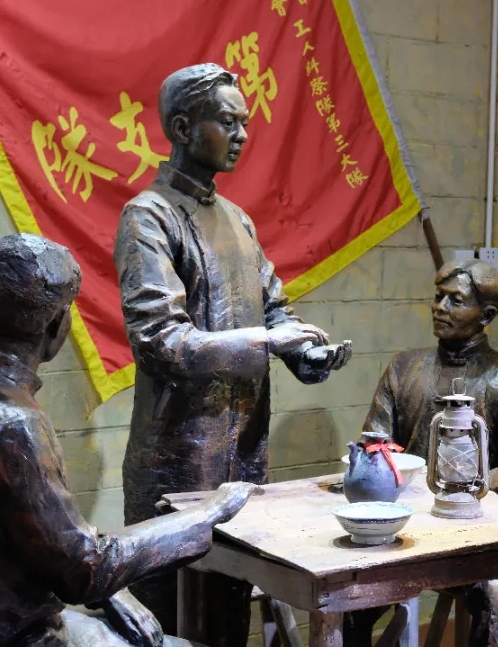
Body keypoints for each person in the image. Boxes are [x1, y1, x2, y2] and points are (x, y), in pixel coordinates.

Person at [0, 233, 259, 647]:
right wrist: (206, 515)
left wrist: (110, 593)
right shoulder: (10, 424)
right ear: (57, 324)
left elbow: (42, 541)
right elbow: (85, 568)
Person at [113, 64, 352, 632]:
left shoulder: (238, 221)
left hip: (242, 458)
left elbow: (274, 309)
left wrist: (303, 353)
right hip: (177, 463)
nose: (242, 134)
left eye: (244, 122)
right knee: (168, 621)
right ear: (182, 128)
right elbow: (160, 342)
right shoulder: (148, 216)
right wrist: (270, 340)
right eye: (227, 122)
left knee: (226, 618)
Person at [353, 259, 498, 647]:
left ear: (486, 315)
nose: (440, 308)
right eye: (438, 297)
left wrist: (473, 488)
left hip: (477, 530)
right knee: (349, 591)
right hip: (402, 524)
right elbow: (374, 443)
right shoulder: (404, 367)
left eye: (455, 301)